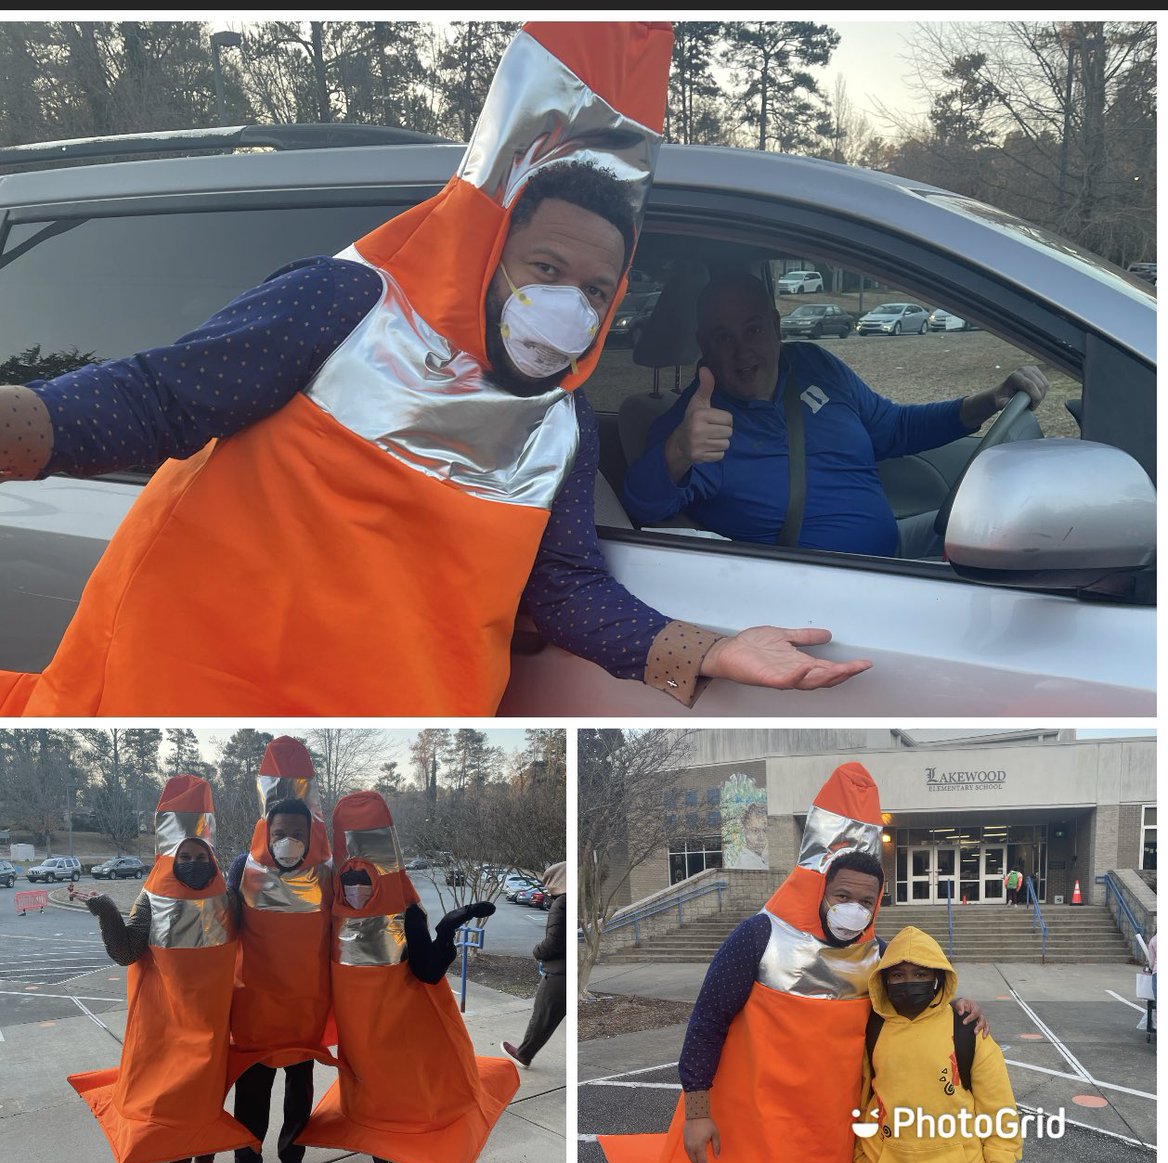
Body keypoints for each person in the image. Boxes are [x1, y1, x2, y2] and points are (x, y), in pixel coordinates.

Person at [0, 23, 870, 720]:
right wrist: (20, 425)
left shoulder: (557, 424)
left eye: (598, 288)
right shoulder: (344, 304)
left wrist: (708, 649)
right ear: (488, 249)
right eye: (546, 269)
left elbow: (563, 585)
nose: (573, 304)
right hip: (206, 679)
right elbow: (162, 395)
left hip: (397, 711)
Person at [599, 763, 987, 1163]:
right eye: (842, 895)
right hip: (750, 1113)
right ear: (820, 889)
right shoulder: (758, 935)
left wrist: (953, 1008)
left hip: (827, 1125)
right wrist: (697, 1113)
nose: (853, 908)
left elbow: (910, 1005)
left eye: (865, 900)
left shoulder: (878, 956)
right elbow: (707, 1022)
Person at [623, 272, 1050, 559]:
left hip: (893, 551)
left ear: (775, 325)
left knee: (1012, 536)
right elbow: (641, 507)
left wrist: (990, 399)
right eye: (723, 337)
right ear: (704, 345)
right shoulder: (697, 420)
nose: (742, 350)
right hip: (838, 591)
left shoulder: (812, 364)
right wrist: (678, 450)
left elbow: (893, 428)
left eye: (753, 328)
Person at [296, 790, 516, 1163]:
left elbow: (428, 971)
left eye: (367, 876)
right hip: (357, 1034)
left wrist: (448, 928)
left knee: (400, 1099)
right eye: (353, 877)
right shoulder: (332, 906)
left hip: (399, 1031)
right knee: (368, 1102)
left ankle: (406, 1160)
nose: (359, 884)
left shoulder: (405, 907)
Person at [68, 775, 256, 1163]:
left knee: (204, 1101)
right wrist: (107, 913)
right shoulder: (152, 897)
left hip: (208, 1027)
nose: (193, 861)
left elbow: (259, 934)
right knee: (170, 1103)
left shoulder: (226, 899)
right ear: (171, 855)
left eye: (200, 854)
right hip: (165, 1027)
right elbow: (127, 951)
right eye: (184, 854)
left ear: (211, 855)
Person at [223, 737, 335, 1163]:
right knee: (252, 1090)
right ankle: (247, 1162)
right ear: (266, 831)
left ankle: (293, 1155)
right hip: (255, 1002)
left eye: (297, 832)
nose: (288, 840)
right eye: (279, 832)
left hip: (305, 1002)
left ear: (311, 833)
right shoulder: (241, 868)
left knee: (299, 1089)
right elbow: (220, 926)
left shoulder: (329, 871)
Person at [854, 925, 1021, 1163]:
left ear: (937, 977)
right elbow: (861, 1101)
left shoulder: (967, 1029)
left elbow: (999, 1110)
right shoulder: (872, 1029)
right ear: (884, 979)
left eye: (920, 973)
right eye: (897, 975)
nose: (909, 982)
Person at [502, 862, 568, 1069]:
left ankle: (524, 1054)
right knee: (549, 1015)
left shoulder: (562, 903)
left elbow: (554, 942)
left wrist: (537, 952)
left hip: (559, 971)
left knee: (543, 1014)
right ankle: (525, 1052)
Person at [733, 803, 769, 869]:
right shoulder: (746, 862)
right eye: (755, 831)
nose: (761, 837)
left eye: (765, 831)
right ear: (744, 832)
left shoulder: (761, 858)